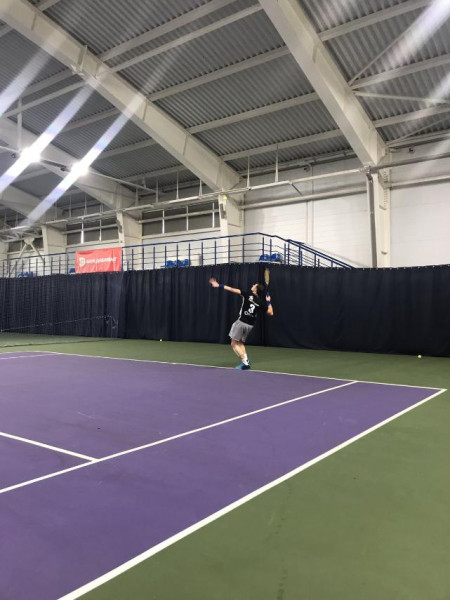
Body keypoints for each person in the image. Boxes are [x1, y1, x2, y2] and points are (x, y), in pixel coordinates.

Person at [209, 277, 274, 370]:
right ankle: (246, 360)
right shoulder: (260, 302)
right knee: (240, 342)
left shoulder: (247, 294)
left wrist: (219, 285)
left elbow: (232, 289)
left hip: (241, 322)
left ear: (255, 289)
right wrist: (268, 301)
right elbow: (271, 312)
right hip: (250, 325)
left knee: (233, 344)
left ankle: (245, 363)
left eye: (254, 285)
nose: (252, 285)